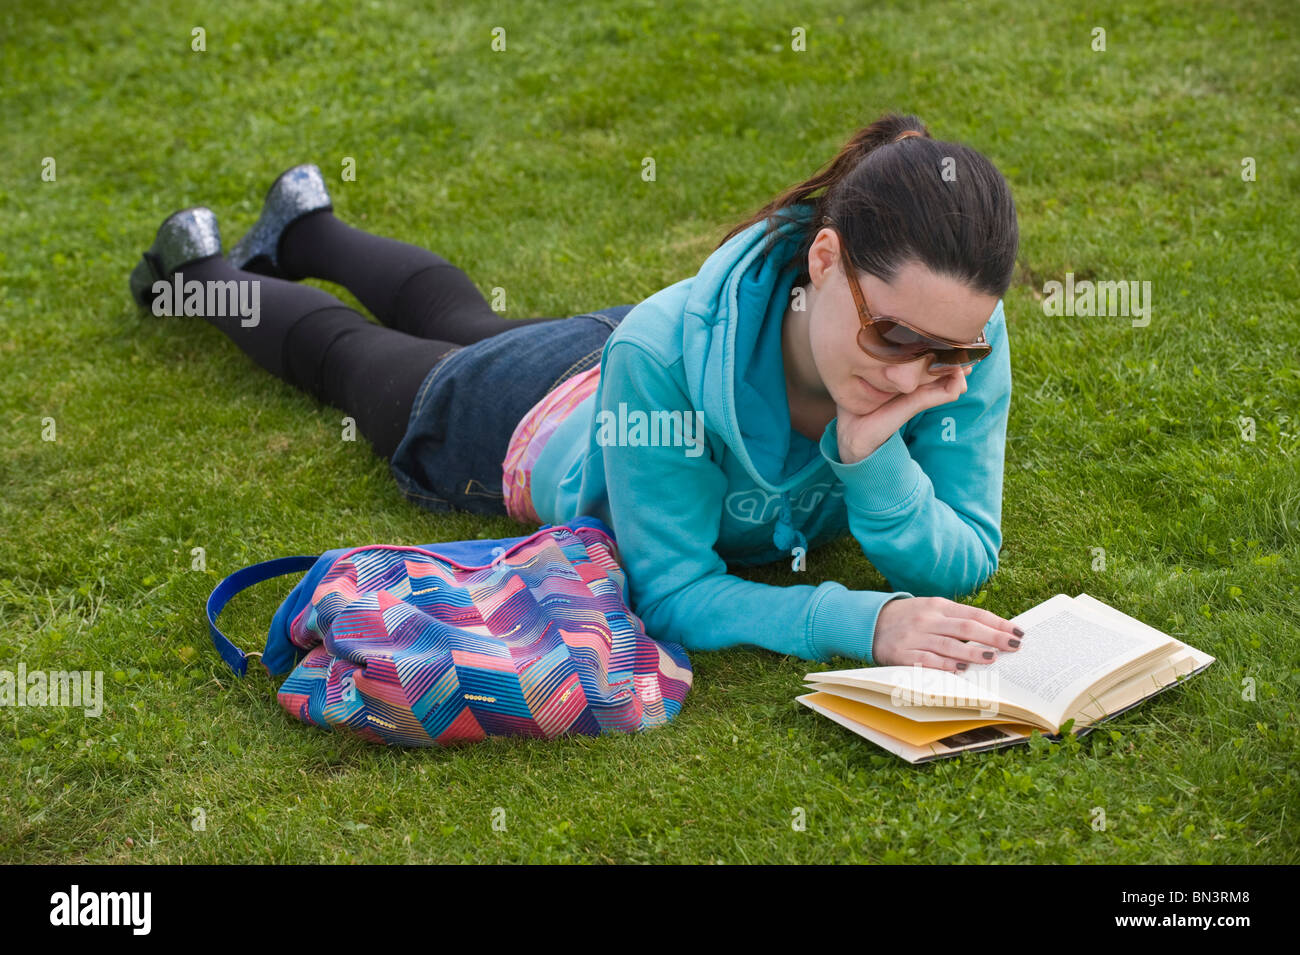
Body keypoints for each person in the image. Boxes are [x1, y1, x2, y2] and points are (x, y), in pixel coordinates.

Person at [128, 111, 1025, 672]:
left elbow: (966, 553)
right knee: (352, 356)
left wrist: (875, 464)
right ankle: (197, 269)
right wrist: (858, 619)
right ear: (823, 261)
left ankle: (306, 225)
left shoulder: (952, 342)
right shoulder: (668, 354)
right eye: (891, 335)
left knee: (465, 316)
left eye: (948, 349)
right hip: (528, 423)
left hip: (619, 359)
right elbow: (672, 590)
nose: (914, 374)